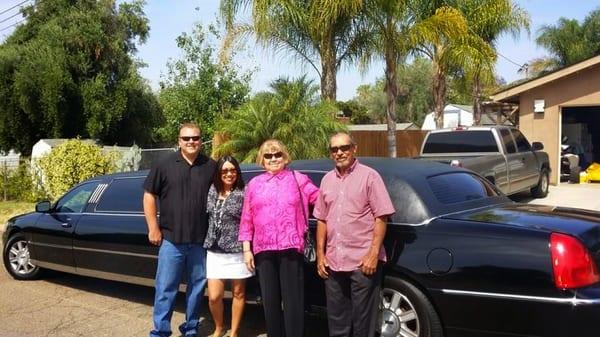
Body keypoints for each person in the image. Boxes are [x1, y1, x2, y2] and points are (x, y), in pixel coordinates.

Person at [314, 132, 395, 337]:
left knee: (363, 324)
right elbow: (321, 219)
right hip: (333, 262)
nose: (340, 152)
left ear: (354, 149)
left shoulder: (369, 176)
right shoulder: (326, 180)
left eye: (344, 148)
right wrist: (321, 255)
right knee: (337, 322)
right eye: (335, 149)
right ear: (331, 153)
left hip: (362, 263)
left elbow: (381, 216)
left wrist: (373, 254)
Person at [238, 139, 319, 337]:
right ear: (262, 159)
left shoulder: (298, 179)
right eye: (268, 155)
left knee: (293, 302)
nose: (273, 158)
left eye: (277, 154)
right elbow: (246, 218)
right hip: (263, 250)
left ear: (285, 157)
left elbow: (321, 200)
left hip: (291, 248)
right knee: (270, 301)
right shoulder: (254, 185)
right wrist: (247, 249)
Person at [143, 122, 216, 337]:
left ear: (201, 140)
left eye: (195, 138)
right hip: (171, 240)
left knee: (196, 289)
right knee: (166, 289)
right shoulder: (164, 164)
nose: (191, 142)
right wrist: (153, 227)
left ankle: (191, 328)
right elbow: (149, 195)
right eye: (186, 138)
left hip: (200, 242)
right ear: (179, 141)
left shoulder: (210, 166)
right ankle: (161, 330)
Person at [203, 156, 252, 337]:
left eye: (233, 170)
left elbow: (249, 221)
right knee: (215, 296)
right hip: (214, 251)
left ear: (237, 172)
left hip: (237, 251)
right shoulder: (212, 190)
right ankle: (219, 327)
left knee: (238, 294)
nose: (229, 174)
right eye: (224, 171)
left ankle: (234, 333)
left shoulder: (245, 192)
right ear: (218, 173)